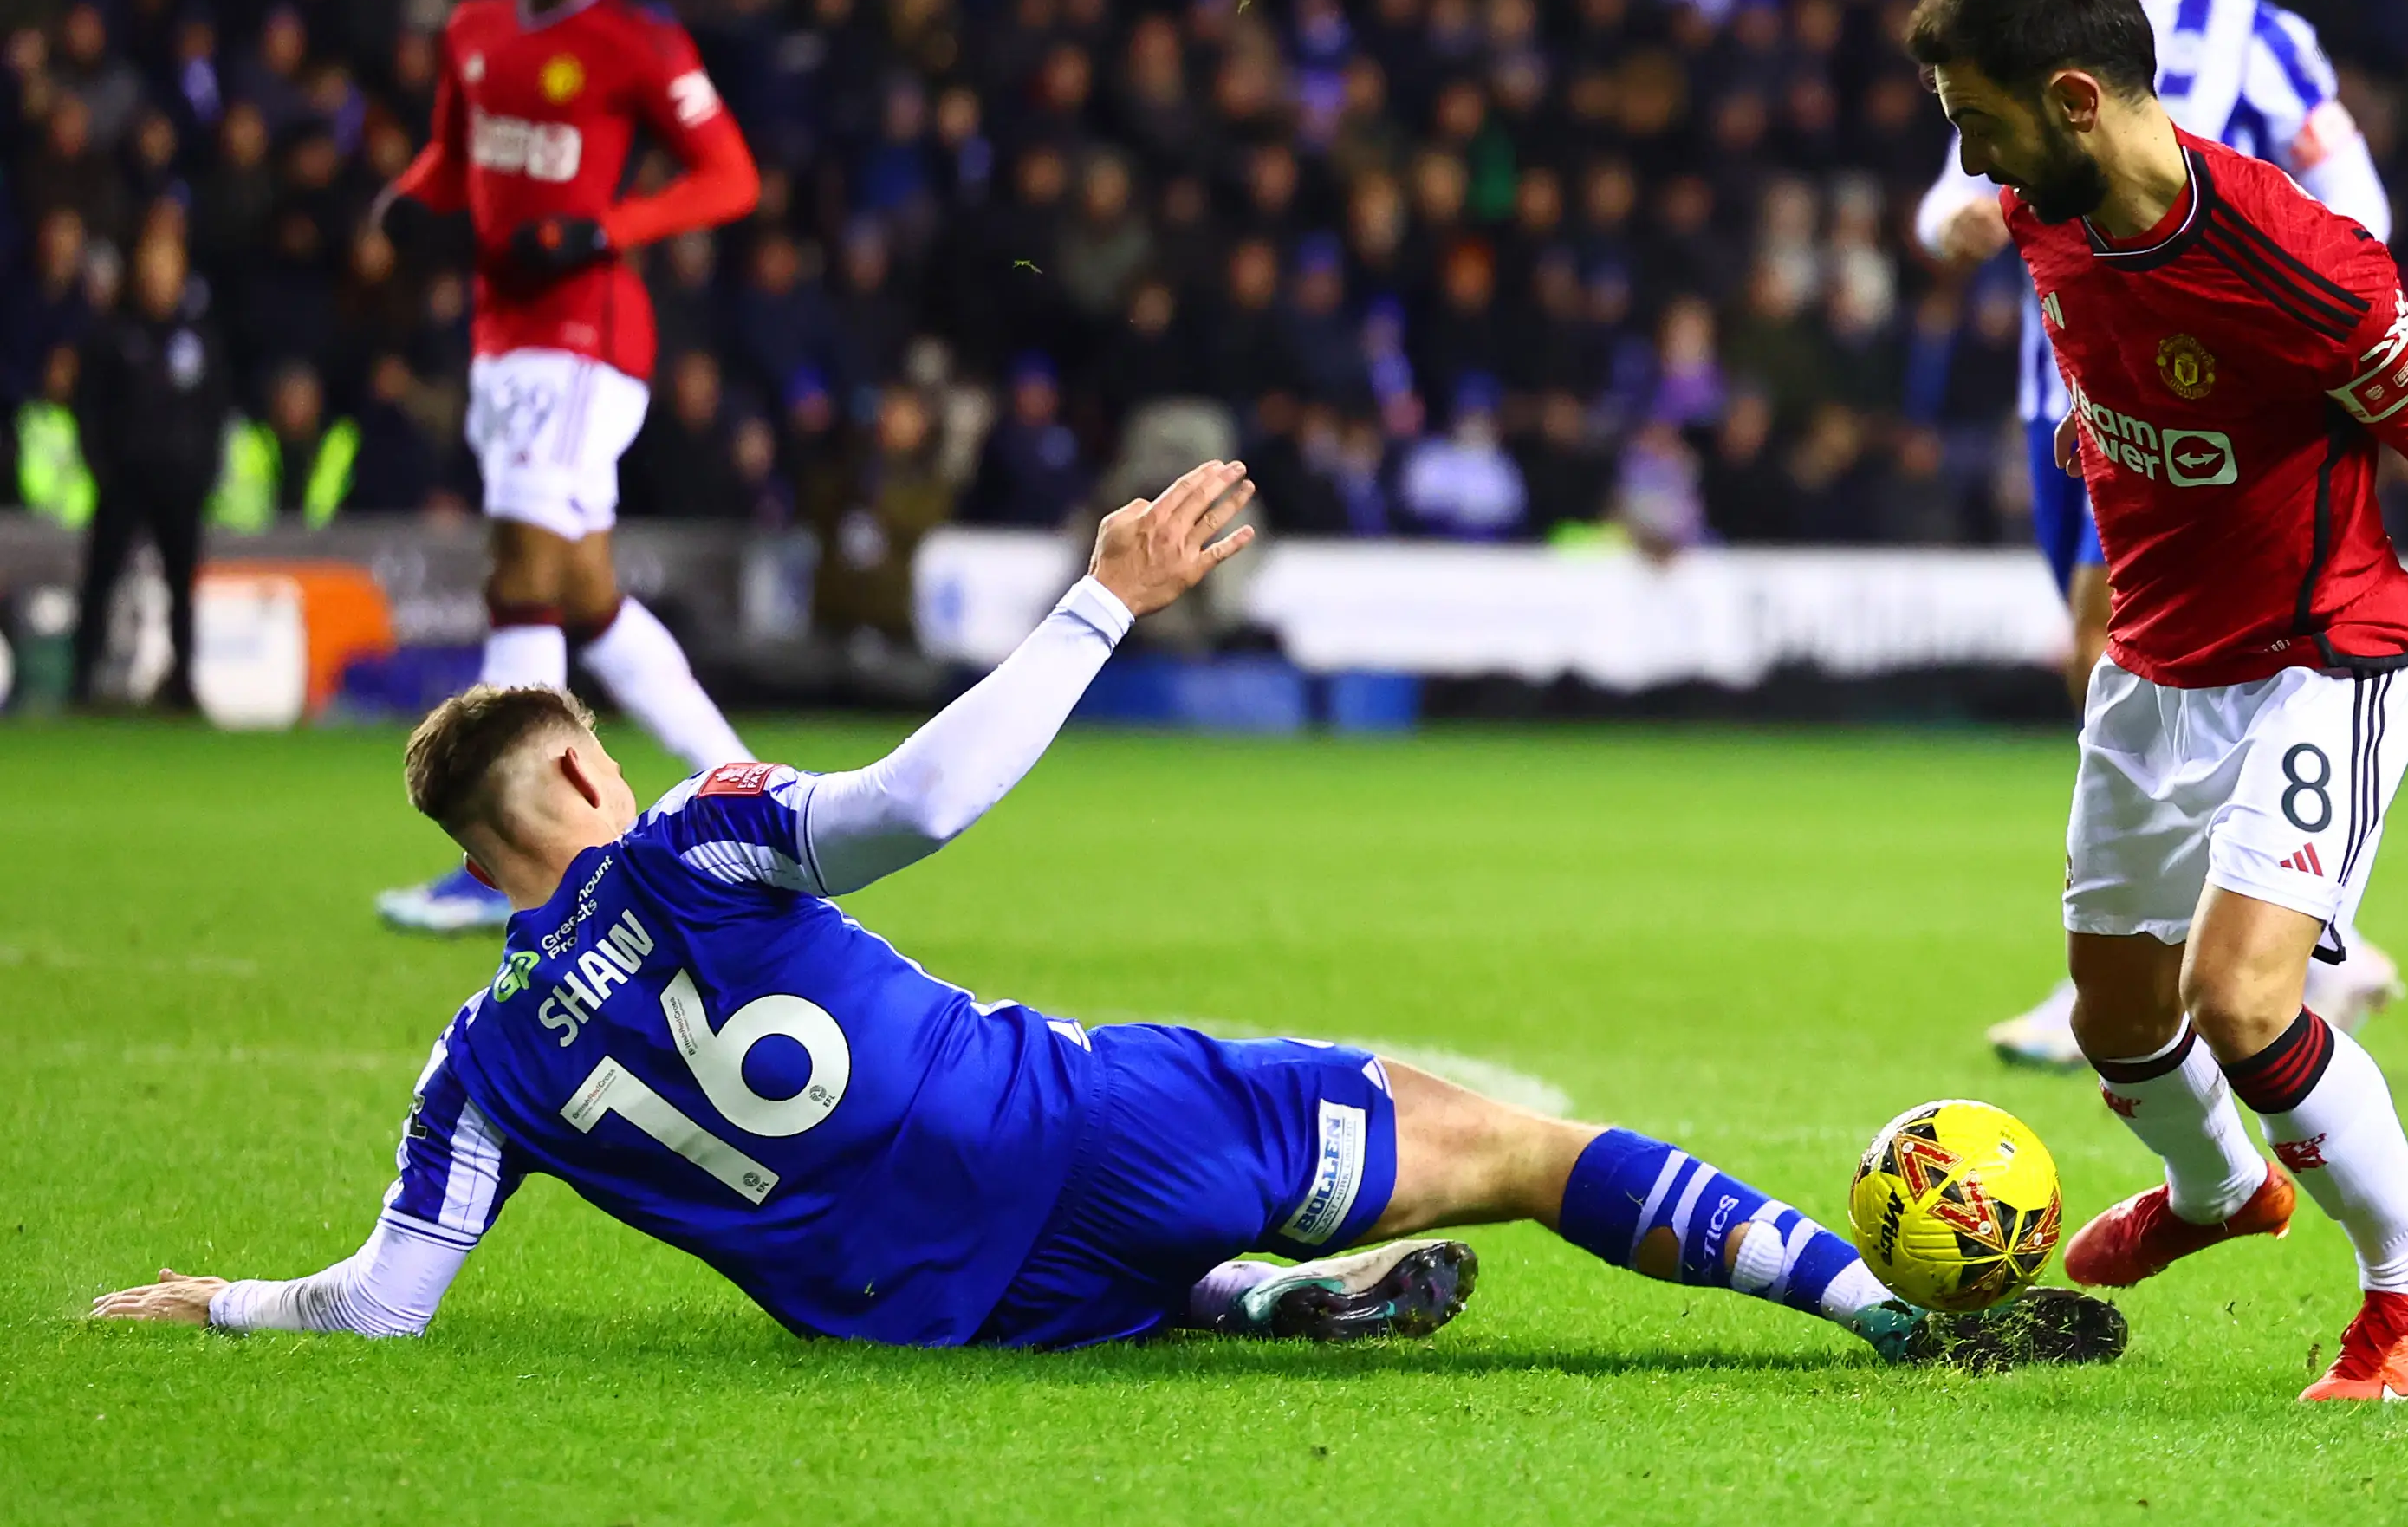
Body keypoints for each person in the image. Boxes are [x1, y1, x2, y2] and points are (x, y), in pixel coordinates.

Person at [88, 462, 2124, 1373]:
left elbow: (383, 1294)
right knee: (1514, 1135)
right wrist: (1102, 596)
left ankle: (1241, 1295)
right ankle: (1882, 1312)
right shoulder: (687, 840)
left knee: (1163, 1284)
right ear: (581, 783)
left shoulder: (477, 1065)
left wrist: (225, 1300)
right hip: (1056, 1120)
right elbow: (920, 798)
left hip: (914, 1308)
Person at [1904, 0, 2408, 1400]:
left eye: (1978, 119)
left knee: (2240, 1001)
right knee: (2113, 1018)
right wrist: (2093, 468)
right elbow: (2111, 377)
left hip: (2320, 653)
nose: (1969, 160)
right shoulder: (2043, 211)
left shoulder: (2293, 256)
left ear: (2075, 97)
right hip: (2151, 662)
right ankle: (2222, 1191)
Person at [1915, 0, 2406, 1069]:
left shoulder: (2260, 37)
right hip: (2062, 396)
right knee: (2129, 669)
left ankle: (2208, 958)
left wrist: (2287, 309)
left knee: (2133, 648)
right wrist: (1953, 225)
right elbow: (1939, 198)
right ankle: (2279, 942)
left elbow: (2353, 196)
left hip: (2206, 406)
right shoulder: (2024, 30)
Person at [369, 0, 762, 933]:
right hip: (503, 339)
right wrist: (406, 199)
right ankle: (744, 784)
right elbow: (456, 158)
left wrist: (607, 229)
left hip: (586, 339)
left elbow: (731, 175)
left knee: (518, 576)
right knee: (585, 596)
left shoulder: (638, 42)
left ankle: (508, 862)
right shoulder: (475, 31)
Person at [70, 232, 226, 711]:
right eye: (152, 266)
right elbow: (89, 406)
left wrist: (202, 473)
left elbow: (214, 410)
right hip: (124, 480)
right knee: (102, 578)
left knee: (182, 586)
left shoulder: (198, 338)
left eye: (169, 266)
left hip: (179, 485)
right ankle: (82, 680)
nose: (160, 277)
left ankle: (182, 683)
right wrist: (103, 468)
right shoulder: (114, 334)